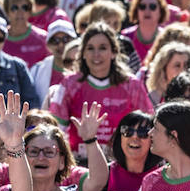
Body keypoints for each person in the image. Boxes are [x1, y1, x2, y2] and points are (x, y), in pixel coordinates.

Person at [48, 24, 153, 152]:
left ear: (114, 52)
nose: (96, 54)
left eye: (102, 48)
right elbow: (56, 130)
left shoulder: (132, 85)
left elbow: (148, 128)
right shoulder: (69, 84)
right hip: (80, 163)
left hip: (121, 162)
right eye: (90, 48)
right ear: (83, 54)